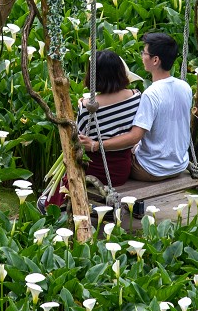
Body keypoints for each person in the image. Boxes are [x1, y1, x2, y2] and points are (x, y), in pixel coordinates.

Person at [80, 32, 192, 181]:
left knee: (120, 158)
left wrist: (95, 145)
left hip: (151, 170)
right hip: (179, 165)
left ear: (155, 60)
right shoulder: (185, 87)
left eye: (144, 52)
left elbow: (134, 137)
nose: (142, 56)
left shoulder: (150, 95)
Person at [40, 50, 143, 209]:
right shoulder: (136, 96)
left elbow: (78, 139)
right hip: (121, 171)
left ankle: (51, 205)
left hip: (96, 172)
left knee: (68, 172)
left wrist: (82, 106)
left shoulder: (88, 107)